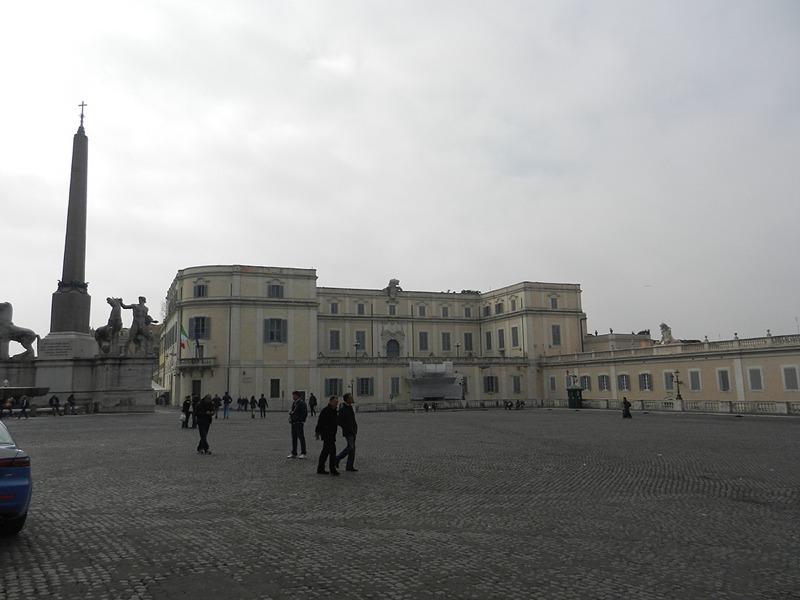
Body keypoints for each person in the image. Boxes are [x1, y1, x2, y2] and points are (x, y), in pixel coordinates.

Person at [315, 396, 340, 475]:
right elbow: (320, 422)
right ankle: (332, 469)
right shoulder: (325, 410)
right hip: (327, 434)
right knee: (332, 452)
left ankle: (320, 468)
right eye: (335, 402)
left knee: (325, 452)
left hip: (332, 434)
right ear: (331, 402)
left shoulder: (334, 410)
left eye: (337, 402)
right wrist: (317, 432)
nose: (336, 404)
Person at [335, 392, 358, 472]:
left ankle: (349, 466)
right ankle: (337, 458)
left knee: (352, 449)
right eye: (351, 397)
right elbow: (339, 421)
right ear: (347, 399)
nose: (352, 398)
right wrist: (347, 427)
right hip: (348, 431)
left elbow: (352, 419)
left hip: (353, 430)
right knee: (351, 447)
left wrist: (355, 428)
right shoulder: (343, 408)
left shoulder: (349, 407)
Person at [287, 391, 308, 459]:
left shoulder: (302, 403)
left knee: (301, 438)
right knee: (294, 438)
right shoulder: (294, 403)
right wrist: (291, 416)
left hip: (299, 422)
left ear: (297, 396)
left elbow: (304, 413)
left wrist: (301, 420)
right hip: (294, 423)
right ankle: (294, 453)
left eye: (294, 395)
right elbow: (293, 412)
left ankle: (303, 453)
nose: (293, 397)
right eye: (293, 395)